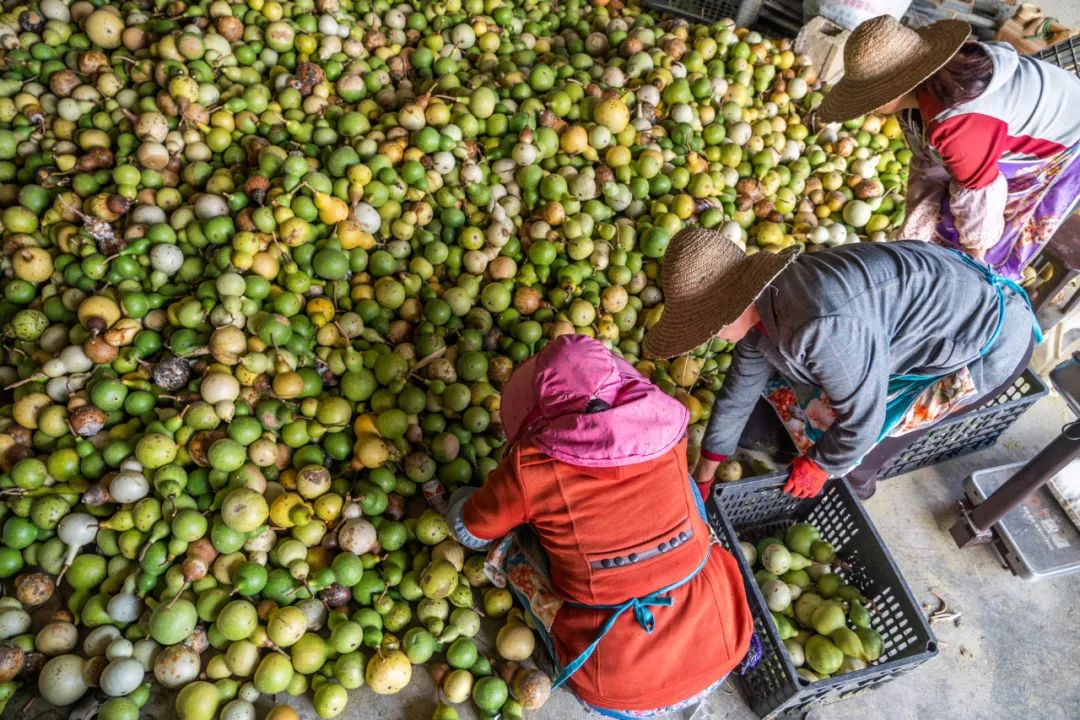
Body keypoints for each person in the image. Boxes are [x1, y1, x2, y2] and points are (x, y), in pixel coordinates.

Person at [445, 334, 755, 718]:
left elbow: (471, 531)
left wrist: (459, 500)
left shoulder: (532, 465)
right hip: (725, 646)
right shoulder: (669, 430)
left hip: (618, 689)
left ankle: (555, 645)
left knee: (515, 542)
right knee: (686, 492)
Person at [643, 229, 1041, 500]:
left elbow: (865, 421)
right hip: (909, 317)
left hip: (987, 340)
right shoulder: (766, 307)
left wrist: (820, 466)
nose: (708, 335)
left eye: (707, 325)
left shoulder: (820, 325)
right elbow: (739, 389)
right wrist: (707, 468)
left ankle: (854, 490)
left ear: (732, 308)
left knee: (862, 455)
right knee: (797, 404)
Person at [816, 15, 1080, 280]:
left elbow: (980, 197)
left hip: (1067, 135)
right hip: (1042, 109)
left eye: (869, 94)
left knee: (990, 245)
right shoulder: (933, 85)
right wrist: (913, 234)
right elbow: (928, 163)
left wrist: (975, 266)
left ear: (896, 89)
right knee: (949, 218)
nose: (868, 105)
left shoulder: (956, 122)